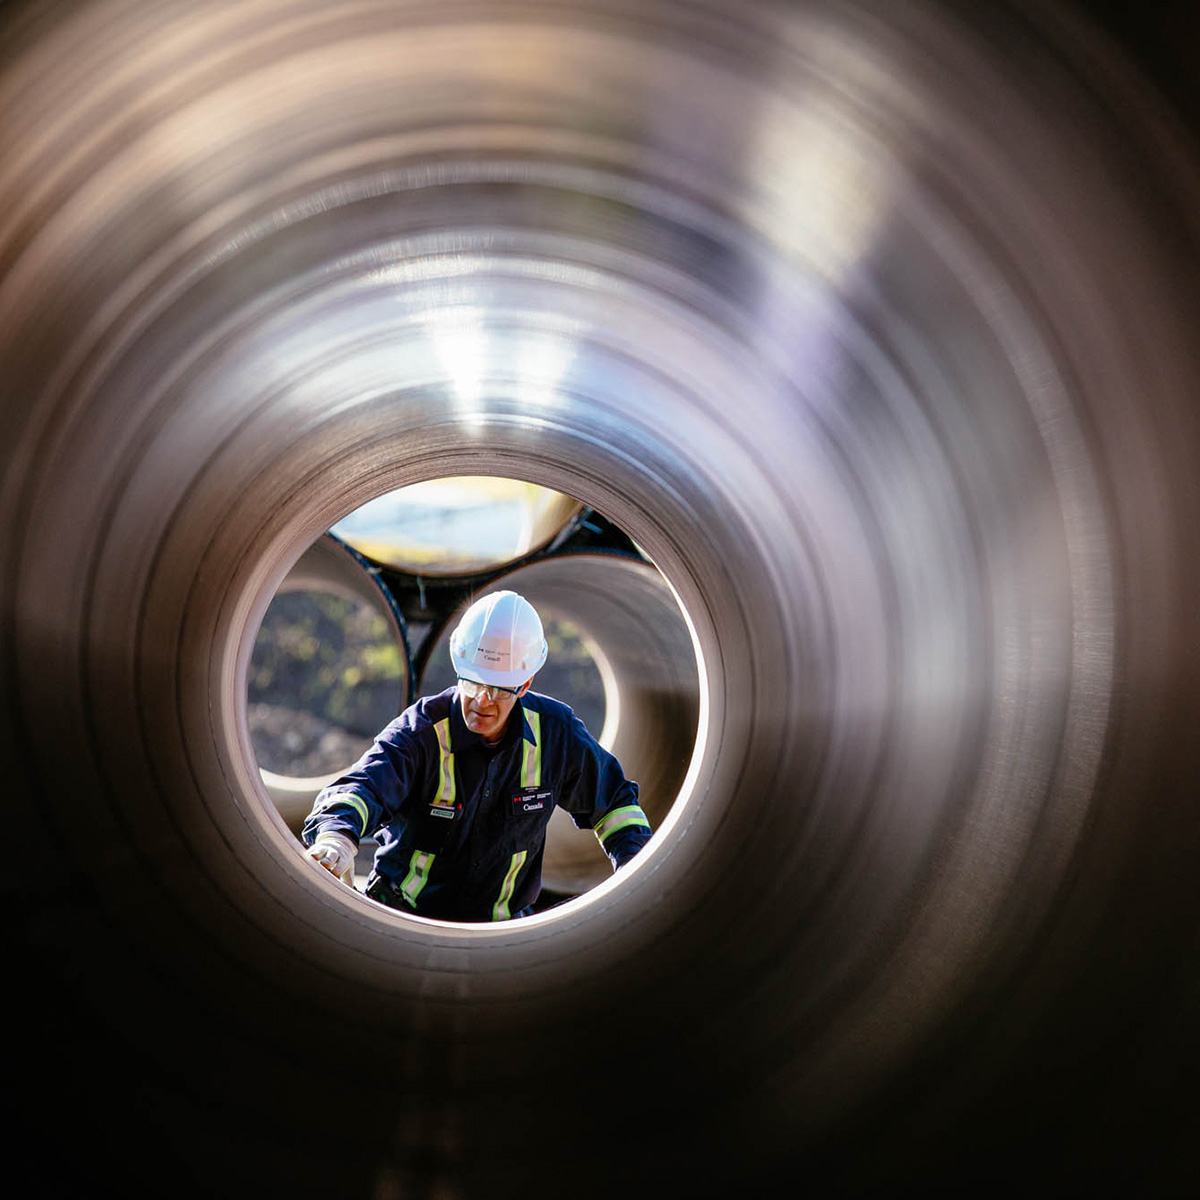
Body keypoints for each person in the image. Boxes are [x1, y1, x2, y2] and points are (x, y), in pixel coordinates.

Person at [300, 589, 652, 920]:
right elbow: (361, 788)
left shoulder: (555, 734)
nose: (482, 701)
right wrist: (337, 837)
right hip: (403, 921)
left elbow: (616, 804)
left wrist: (636, 871)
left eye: (499, 690)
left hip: (502, 932)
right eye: (472, 682)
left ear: (525, 685)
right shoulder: (420, 733)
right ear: (458, 669)